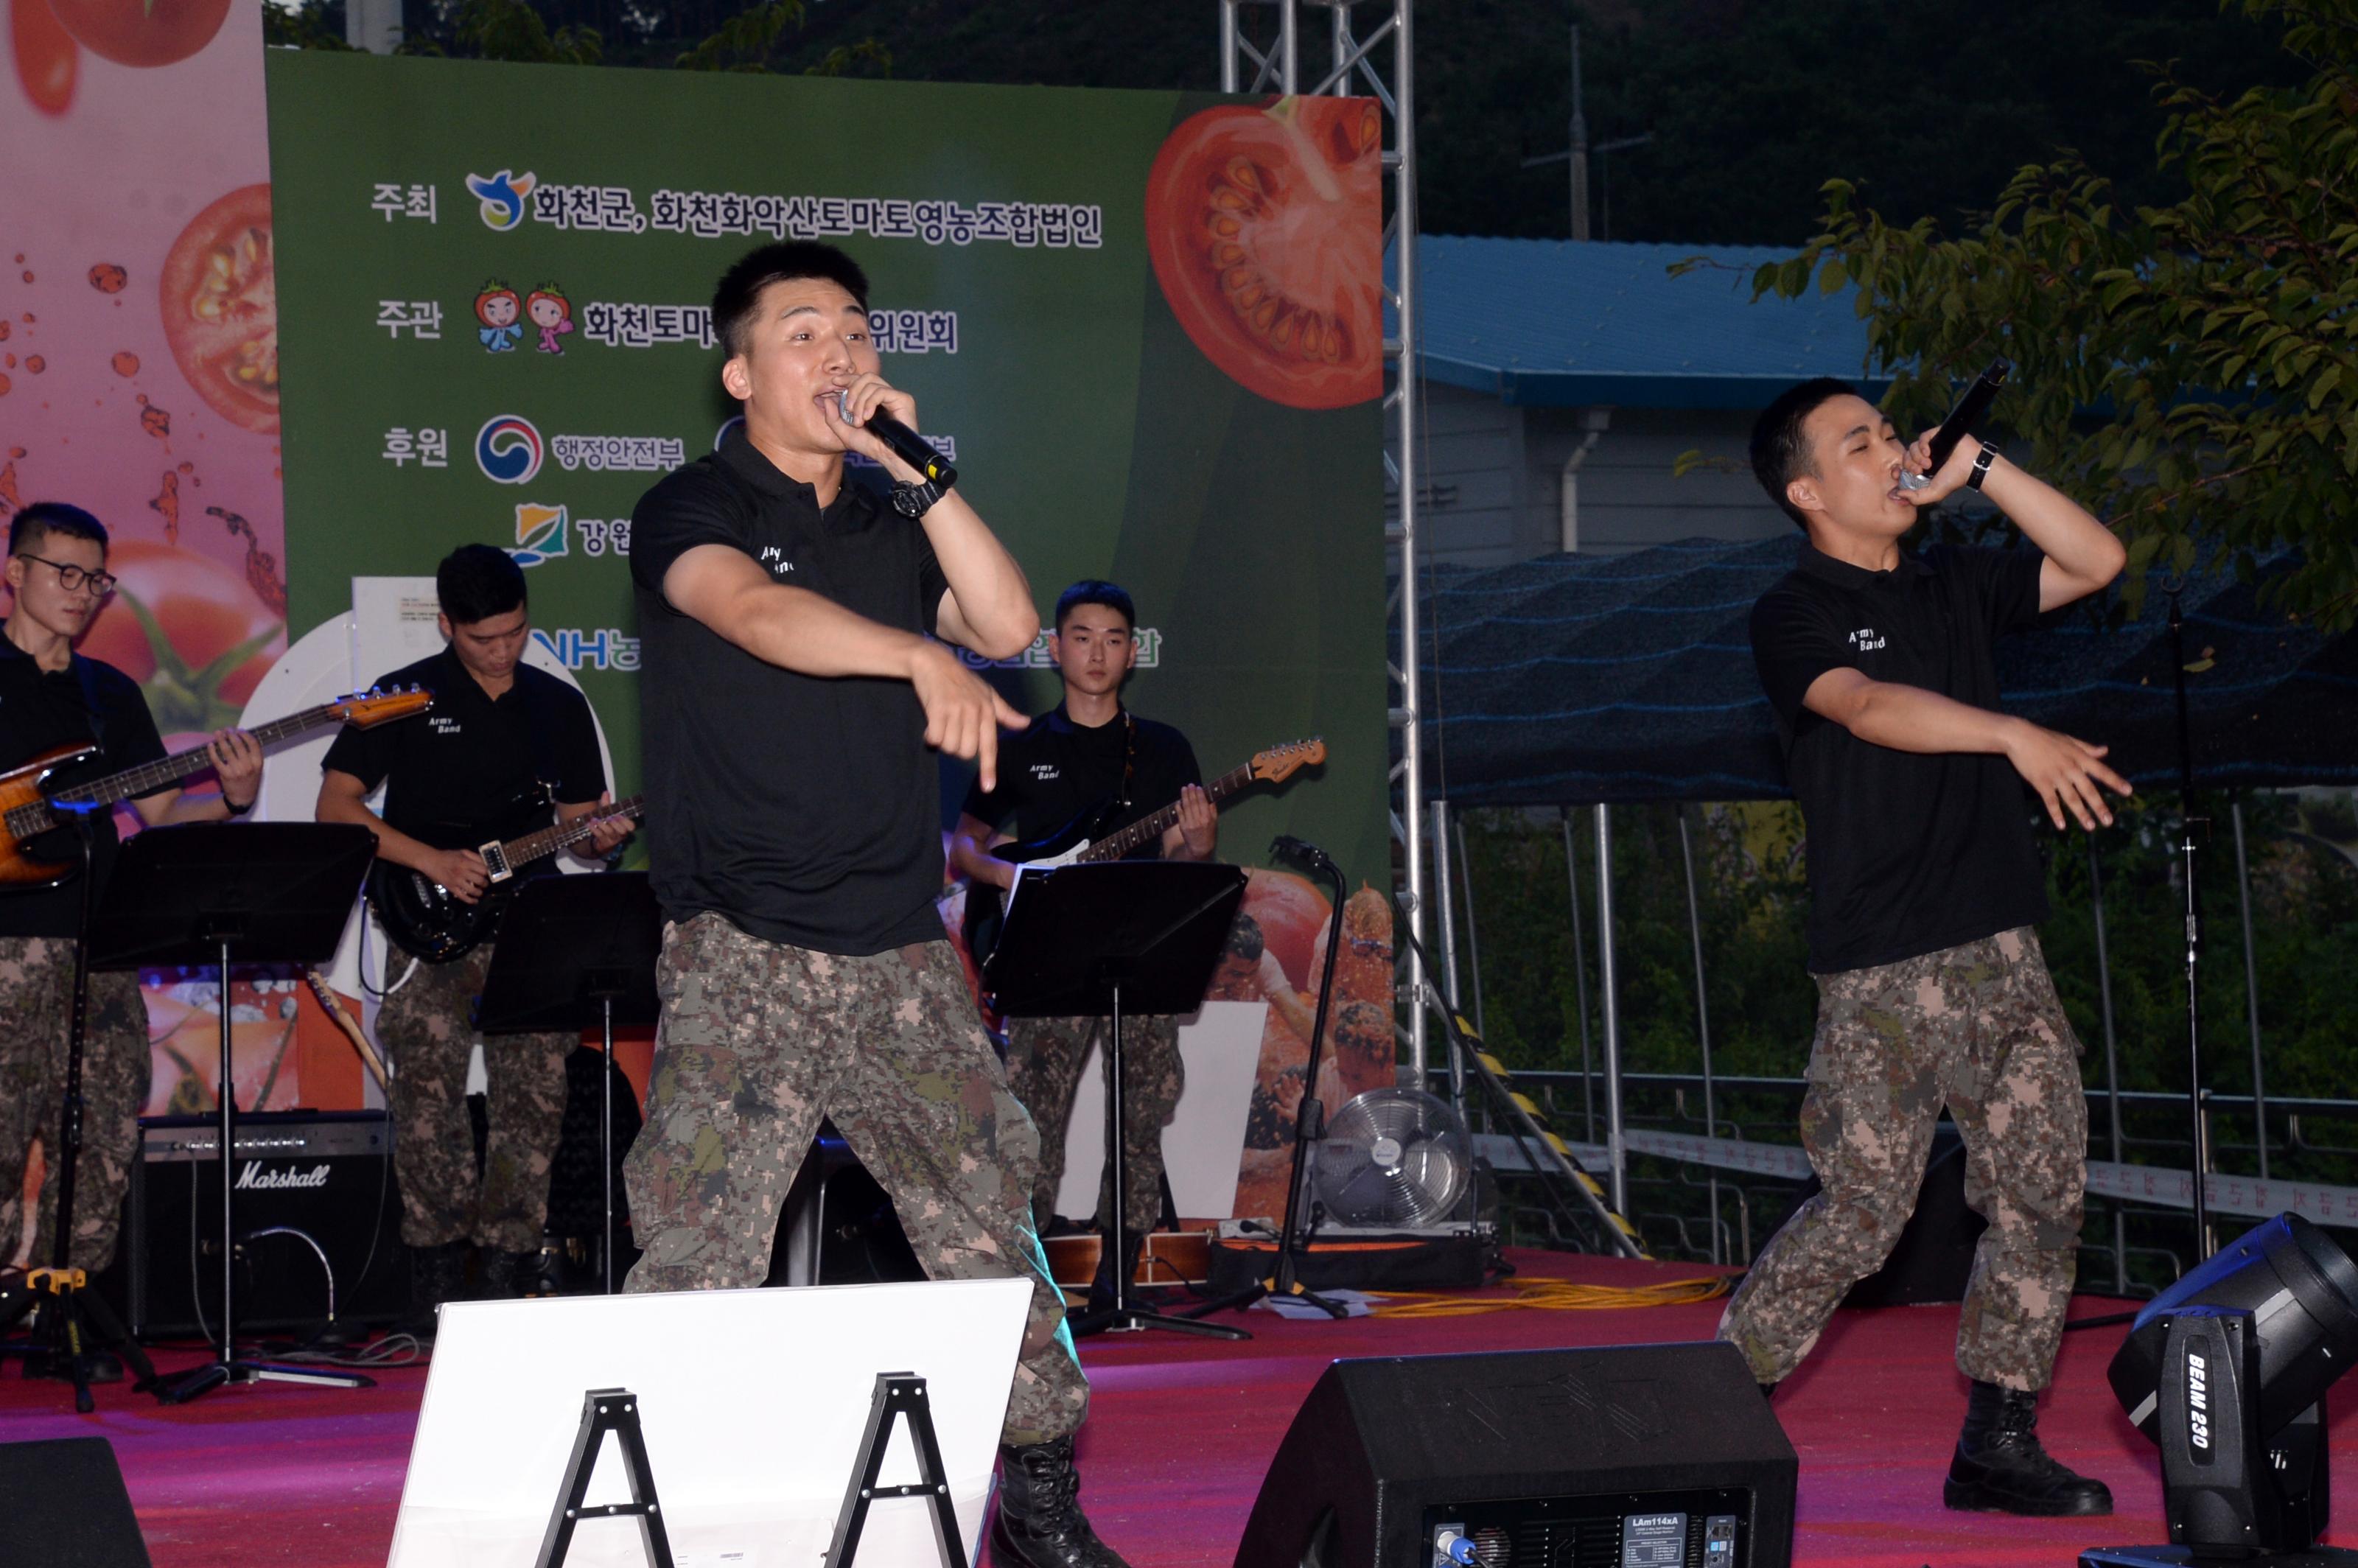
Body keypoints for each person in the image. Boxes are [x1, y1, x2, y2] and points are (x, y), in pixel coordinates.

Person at [627, 239, 1128, 1568]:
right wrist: (914, 650)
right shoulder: (692, 505)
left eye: (855, 328)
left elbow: (1011, 619)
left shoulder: (897, 513)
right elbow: (751, 614)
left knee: (989, 1229)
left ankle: (1036, 1503)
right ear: (738, 373)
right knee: (695, 1252)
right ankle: (670, 1517)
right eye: (804, 332)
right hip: (743, 948)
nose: (840, 351)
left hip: (901, 947)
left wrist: (921, 471)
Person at [1724, 378, 2132, 1516]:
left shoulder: (1956, 581)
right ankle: (1715, 1405)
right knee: (1864, 1209)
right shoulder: (1792, 608)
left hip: (2000, 942)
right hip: (1882, 966)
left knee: (2042, 1193)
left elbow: (2097, 559)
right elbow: (1862, 706)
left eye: (1894, 432)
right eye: (1863, 443)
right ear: (1808, 491)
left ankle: (1998, 1438)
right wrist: (2011, 733)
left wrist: (1987, 472)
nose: (1894, 449)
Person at [316, 545, 630, 1329]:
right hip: (425, 917)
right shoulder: (403, 695)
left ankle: (505, 1267)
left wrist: (603, 838)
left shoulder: (557, 705)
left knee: (537, 1093)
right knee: (427, 1093)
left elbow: (580, 830)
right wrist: (430, 858)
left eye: (516, 632)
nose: (501, 649)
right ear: (448, 624)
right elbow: (337, 806)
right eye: (483, 637)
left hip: (534, 924)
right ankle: (433, 1276)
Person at [0, 503, 261, 1357]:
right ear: (16, 571)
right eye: (64, 573)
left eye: (95, 579)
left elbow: (150, 805)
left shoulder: (109, 694)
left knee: (104, 1129)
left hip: (102, 947)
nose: (81, 593)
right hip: (7, 945)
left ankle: (70, 1308)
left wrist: (231, 795)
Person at [949, 579, 1217, 1265]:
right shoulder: (1019, 744)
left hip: (1143, 951)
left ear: (1133, 655)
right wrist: (1019, 878)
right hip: (1051, 948)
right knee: (1032, 1110)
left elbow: (1181, 856)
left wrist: (1201, 843)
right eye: (1082, 636)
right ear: (1054, 648)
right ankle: (1025, 1266)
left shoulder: (1162, 750)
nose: (1098, 653)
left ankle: (1123, 1261)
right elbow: (965, 848)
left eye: (1115, 640)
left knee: (1142, 1108)